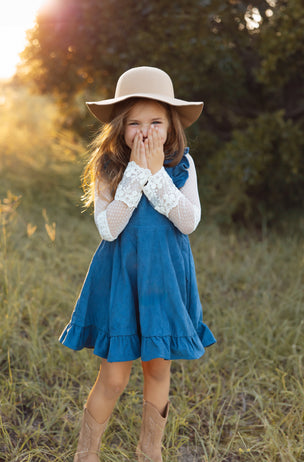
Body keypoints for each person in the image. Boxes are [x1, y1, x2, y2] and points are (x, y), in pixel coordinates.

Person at [59, 66, 216, 462]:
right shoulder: (109, 168)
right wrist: (134, 177)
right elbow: (109, 230)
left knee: (157, 370)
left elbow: (189, 221)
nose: (145, 132)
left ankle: (150, 453)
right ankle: (86, 454)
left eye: (156, 122)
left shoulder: (183, 166)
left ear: (171, 125)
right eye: (135, 123)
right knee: (113, 376)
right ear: (120, 127)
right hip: (120, 282)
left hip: (164, 280)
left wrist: (157, 175)